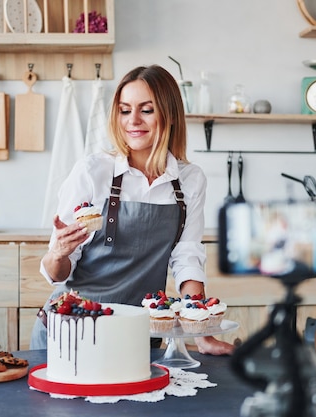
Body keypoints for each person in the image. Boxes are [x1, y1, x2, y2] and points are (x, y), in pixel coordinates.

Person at [31, 64, 233, 356]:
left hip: (138, 335)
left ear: (171, 114)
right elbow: (58, 272)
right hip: (71, 331)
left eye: (146, 110)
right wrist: (57, 253)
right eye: (125, 110)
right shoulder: (92, 171)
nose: (133, 120)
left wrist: (200, 332)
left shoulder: (190, 180)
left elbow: (187, 257)